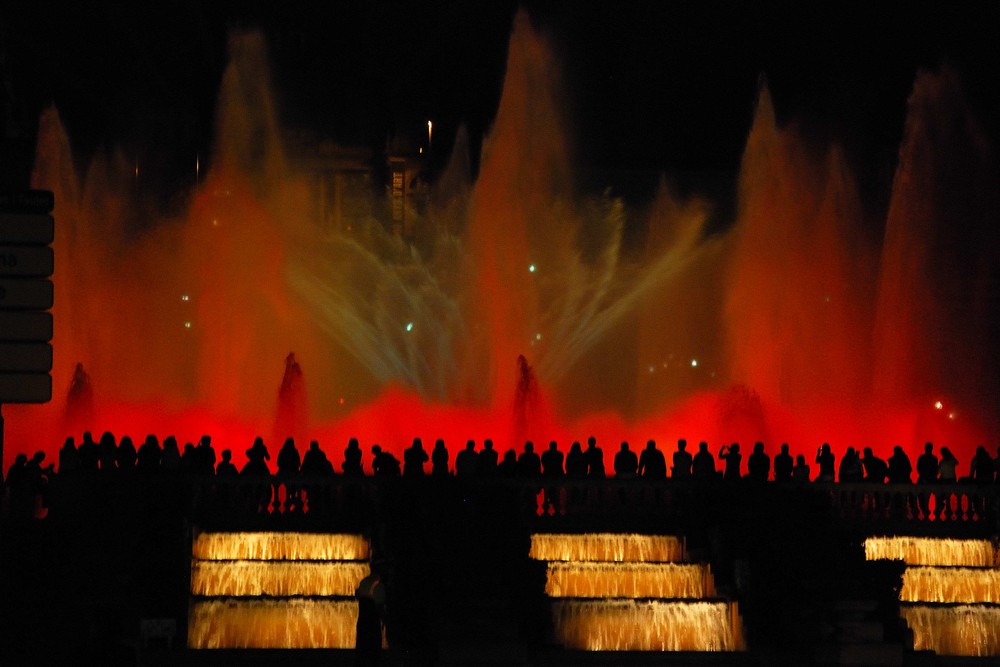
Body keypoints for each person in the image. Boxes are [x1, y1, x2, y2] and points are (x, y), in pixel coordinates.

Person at [355, 562, 387, 666]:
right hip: (373, 622)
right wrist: (384, 620)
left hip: (363, 620)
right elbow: (380, 605)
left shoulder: (364, 581)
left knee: (362, 647)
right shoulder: (379, 585)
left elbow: (358, 595)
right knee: (373, 649)